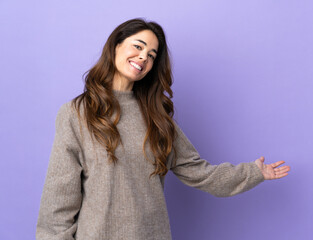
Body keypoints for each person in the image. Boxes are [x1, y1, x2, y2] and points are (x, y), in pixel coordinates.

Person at [36, 18, 290, 240]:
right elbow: (58, 199)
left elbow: (200, 172)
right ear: (116, 45)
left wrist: (254, 172)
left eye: (152, 55)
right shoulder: (76, 114)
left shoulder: (156, 118)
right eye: (138, 46)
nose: (144, 57)